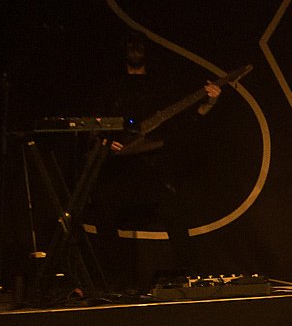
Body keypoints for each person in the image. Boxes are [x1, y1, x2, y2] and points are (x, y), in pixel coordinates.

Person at [93, 33, 221, 293]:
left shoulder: (163, 87)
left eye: (140, 46)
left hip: (154, 169)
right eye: (130, 45)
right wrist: (105, 141)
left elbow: (184, 124)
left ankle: (192, 281)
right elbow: (96, 126)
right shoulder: (111, 87)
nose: (135, 50)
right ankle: (113, 285)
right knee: (101, 211)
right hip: (120, 170)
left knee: (175, 212)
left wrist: (209, 103)